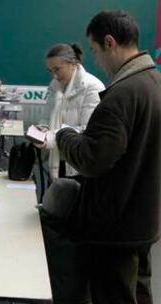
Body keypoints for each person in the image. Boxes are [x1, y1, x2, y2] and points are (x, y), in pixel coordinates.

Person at [55, 10, 161, 304]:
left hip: (114, 227)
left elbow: (92, 160)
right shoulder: (154, 82)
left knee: (114, 295)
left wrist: (64, 135)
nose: (97, 61)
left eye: (95, 50)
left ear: (110, 42)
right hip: (142, 219)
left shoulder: (122, 95)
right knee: (138, 293)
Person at [36, 43, 105, 186]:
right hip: (57, 158)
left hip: (78, 165)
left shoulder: (93, 87)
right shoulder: (54, 85)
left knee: (75, 205)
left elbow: (87, 130)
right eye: (50, 71)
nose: (54, 75)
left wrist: (51, 137)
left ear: (72, 63)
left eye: (57, 69)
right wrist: (41, 129)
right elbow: (46, 117)